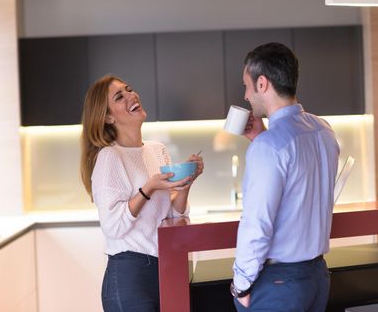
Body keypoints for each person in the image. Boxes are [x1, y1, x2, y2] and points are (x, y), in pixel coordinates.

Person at [230, 43, 340, 311]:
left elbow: (257, 224)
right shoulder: (323, 130)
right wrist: (261, 136)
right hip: (316, 277)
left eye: (247, 85)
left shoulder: (268, 147)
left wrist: (241, 285)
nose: (245, 95)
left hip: (280, 285)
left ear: (262, 84)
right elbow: (299, 191)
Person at [80, 75, 204, 312]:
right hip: (130, 276)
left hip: (165, 268)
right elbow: (113, 226)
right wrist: (148, 188)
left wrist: (186, 184)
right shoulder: (109, 157)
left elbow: (173, 216)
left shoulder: (157, 150)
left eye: (129, 89)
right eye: (119, 97)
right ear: (107, 117)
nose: (131, 95)